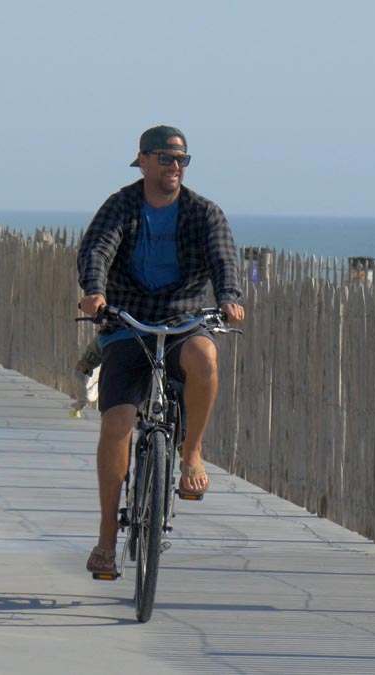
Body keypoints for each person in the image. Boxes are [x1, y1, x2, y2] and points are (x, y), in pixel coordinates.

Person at [76, 125, 244, 577]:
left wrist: (230, 296)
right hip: (128, 320)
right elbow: (97, 250)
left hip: (184, 317)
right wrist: (94, 292)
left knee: (205, 357)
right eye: (166, 159)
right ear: (143, 161)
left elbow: (224, 257)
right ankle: (107, 538)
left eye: (182, 160)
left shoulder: (202, 212)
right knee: (117, 424)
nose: (174, 167)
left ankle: (191, 452)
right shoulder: (122, 205)